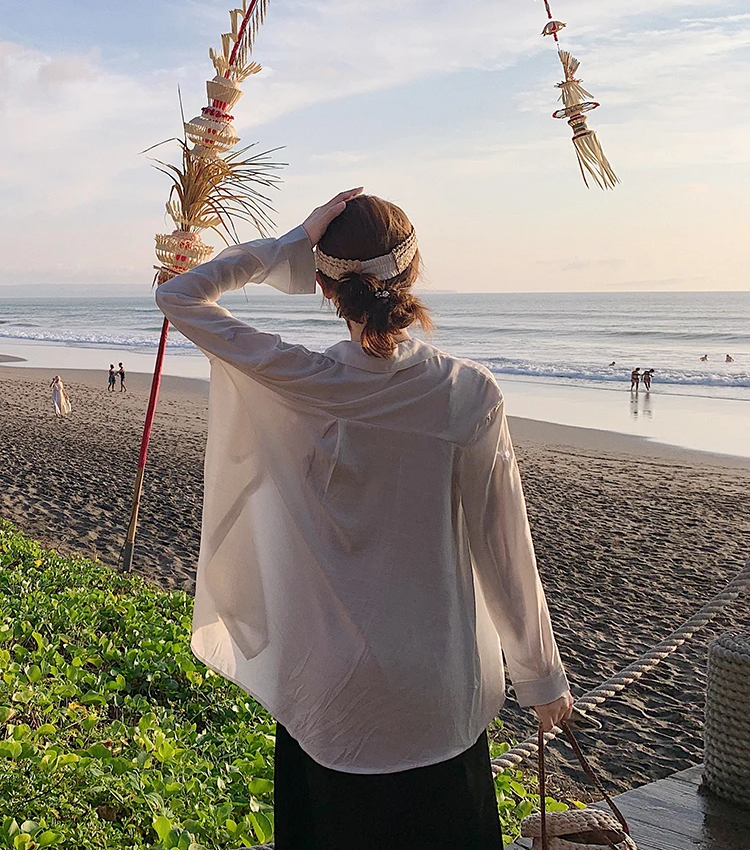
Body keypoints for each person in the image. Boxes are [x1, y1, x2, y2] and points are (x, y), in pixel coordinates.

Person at [155, 191, 572, 850]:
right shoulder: (467, 394)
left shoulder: (299, 377)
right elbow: (504, 548)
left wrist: (289, 247)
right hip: (437, 695)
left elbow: (180, 295)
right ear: (413, 274)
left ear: (324, 288)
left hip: (330, 698)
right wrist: (541, 678)